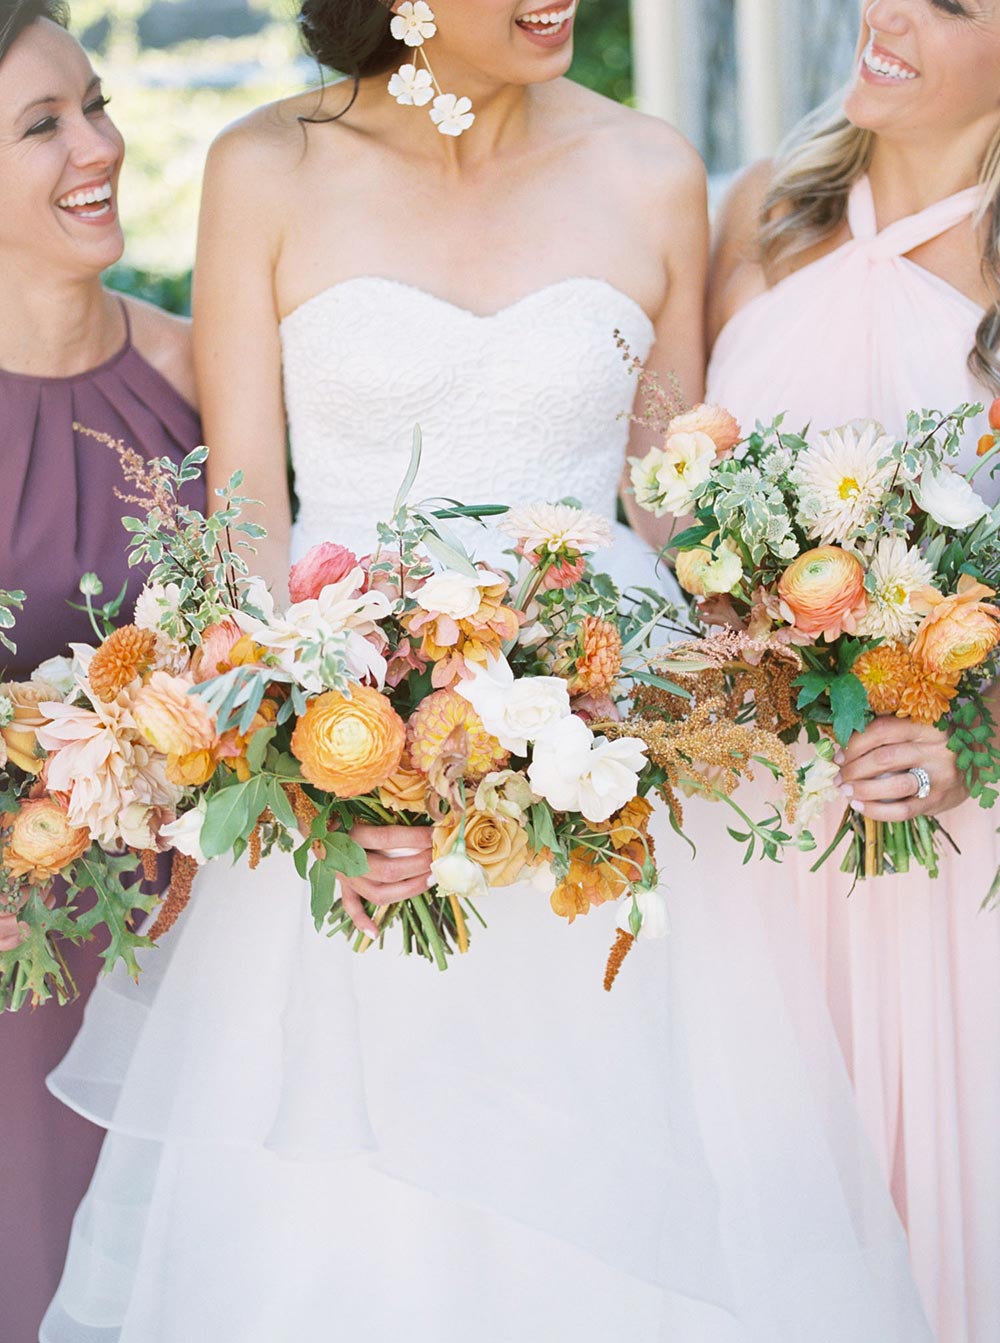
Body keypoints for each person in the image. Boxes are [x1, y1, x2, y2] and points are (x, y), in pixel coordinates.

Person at [42, 3, 933, 1340]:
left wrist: (849, 640)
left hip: (614, 787)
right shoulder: (265, 166)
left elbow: (665, 500)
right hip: (345, 769)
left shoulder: (650, 167)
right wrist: (310, 788)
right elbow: (246, 524)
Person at [705, 3, 1000, 1339]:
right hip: (757, 831)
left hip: (953, 842)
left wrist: (973, 743)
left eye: (948, 4)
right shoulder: (766, 209)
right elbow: (676, 499)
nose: (883, 16)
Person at [0, 3, 203, 1340]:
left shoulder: (193, 371)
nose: (99, 146)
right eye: (41, 124)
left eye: (97, 102)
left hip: (189, 966)